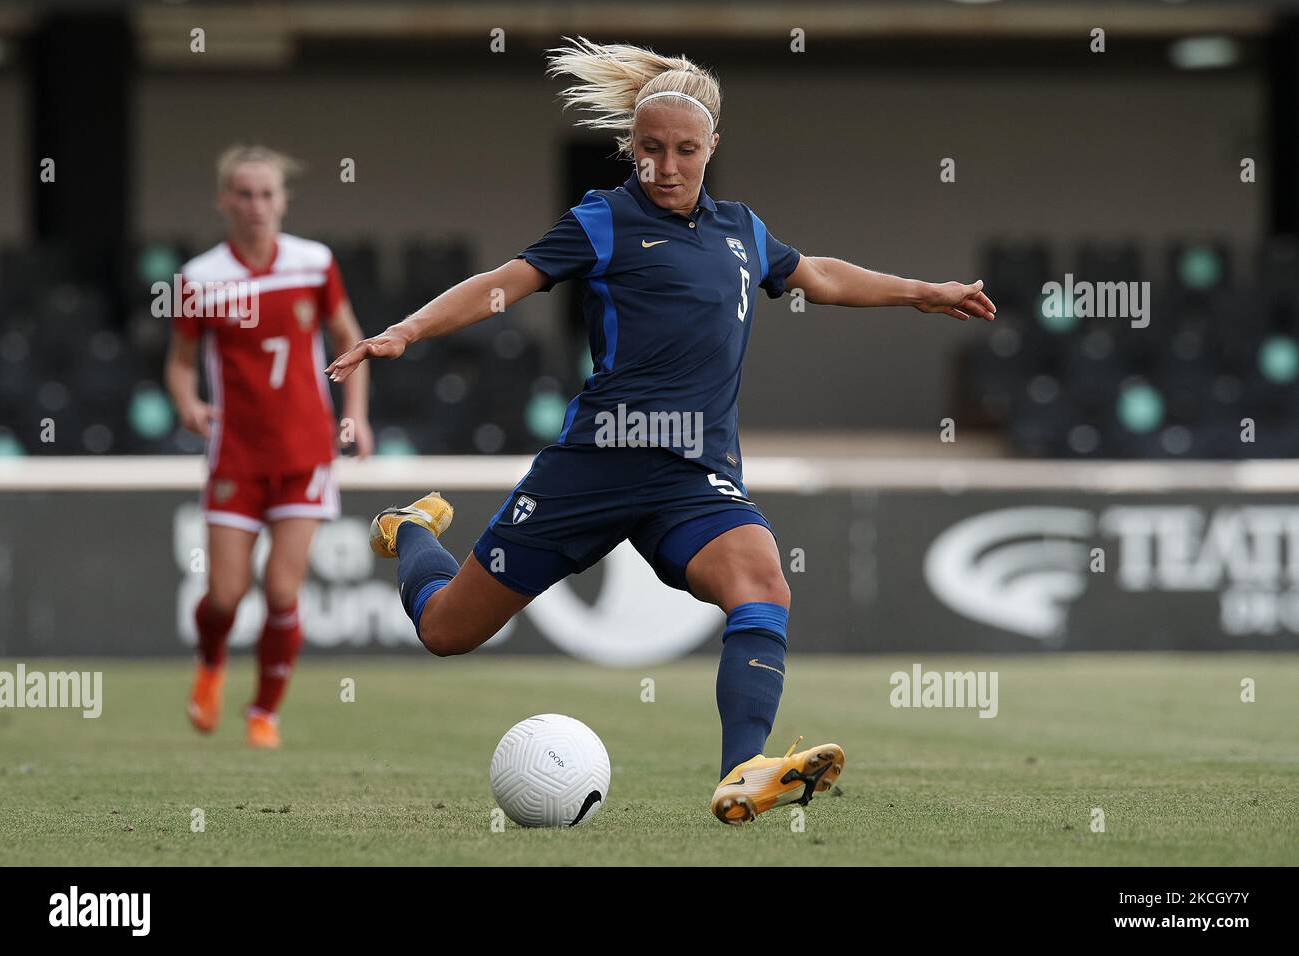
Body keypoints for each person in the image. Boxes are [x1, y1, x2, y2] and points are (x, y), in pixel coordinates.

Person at [325, 38, 994, 822]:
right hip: (595, 465)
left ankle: (744, 769)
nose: (666, 166)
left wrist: (921, 292)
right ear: (629, 149)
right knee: (444, 630)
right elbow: (504, 285)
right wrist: (407, 330)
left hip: (692, 474)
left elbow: (818, 275)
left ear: (712, 147)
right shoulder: (604, 220)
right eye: (649, 150)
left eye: (683, 150)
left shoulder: (743, 232)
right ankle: (409, 529)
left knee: (763, 584)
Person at [165, 144, 374, 748]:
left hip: (305, 450)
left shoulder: (313, 264)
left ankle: (264, 714)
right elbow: (178, 364)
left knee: (283, 590)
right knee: (225, 594)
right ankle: (210, 668)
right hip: (236, 456)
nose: (256, 205)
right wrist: (186, 403)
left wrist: (355, 416)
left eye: (267, 194)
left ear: (283, 201)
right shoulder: (200, 279)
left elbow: (350, 340)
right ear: (224, 200)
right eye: (244, 194)